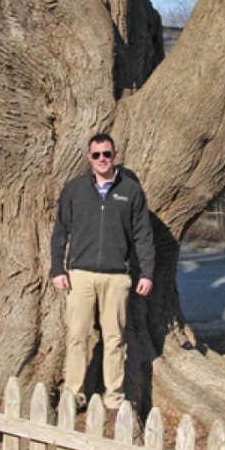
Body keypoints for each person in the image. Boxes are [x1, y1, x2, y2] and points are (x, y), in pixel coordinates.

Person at [50, 134, 155, 413]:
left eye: (106, 154)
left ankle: (114, 399)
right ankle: (73, 394)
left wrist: (147, 273)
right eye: (96, 154)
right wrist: (57, 268)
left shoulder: (131, 191)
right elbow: (60, 232)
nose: (102, 159)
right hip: (80, 276)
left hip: (117, 277)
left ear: (114, 155)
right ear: (89, 157)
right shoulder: (74, 190)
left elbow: (143, 235)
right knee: (77, 337)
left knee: (115, 339)